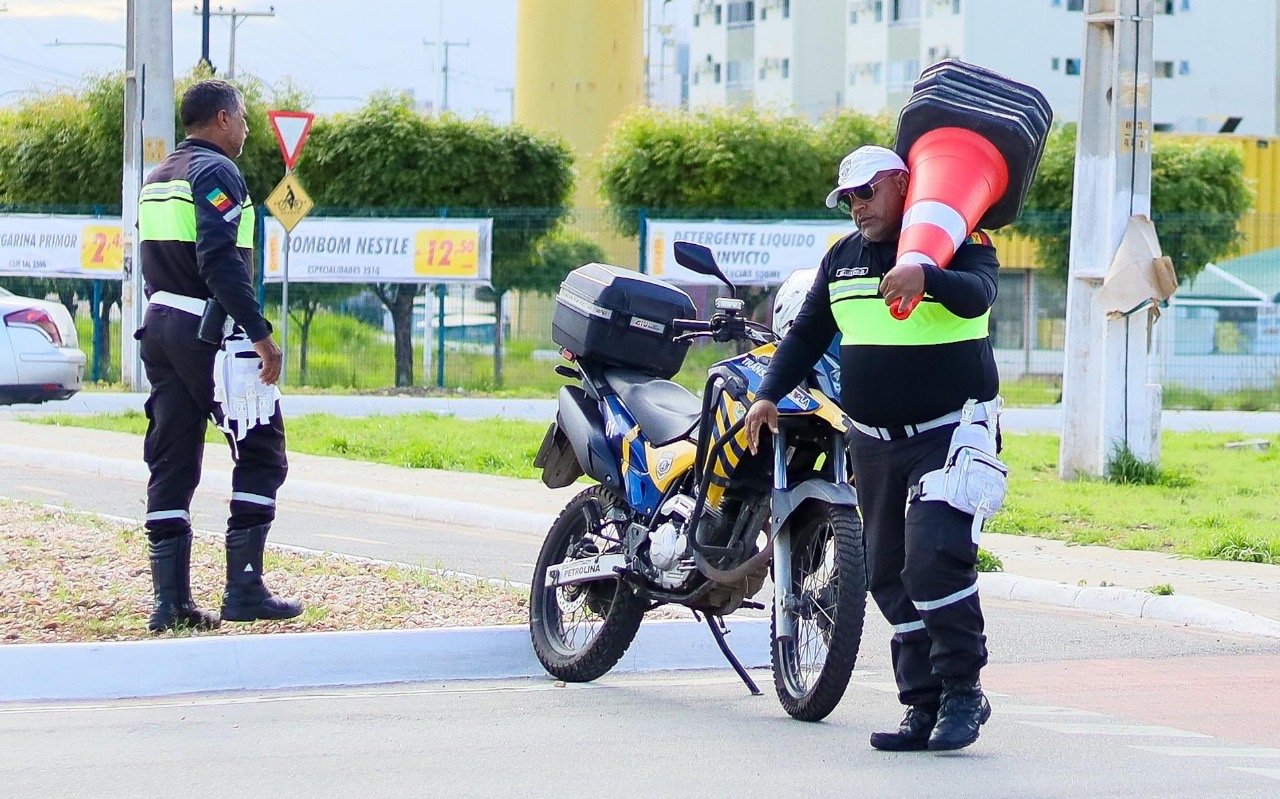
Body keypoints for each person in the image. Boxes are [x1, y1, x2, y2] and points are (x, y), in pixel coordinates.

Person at [745, 145, 1001, 752]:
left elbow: (978, 296)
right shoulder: (843, 259)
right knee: (886, 574)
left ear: (903, 185)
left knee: (934, 557)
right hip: (873, 441)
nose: (857, 207)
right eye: (849, 199)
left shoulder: (963, 239)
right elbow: (808, 332)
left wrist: (927, 273)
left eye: (868, 193)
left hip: (949, 430)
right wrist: (768, 395)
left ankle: (964, 691)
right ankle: (923, 703)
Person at [136, 78, 302, 632]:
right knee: (262, 448)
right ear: (223, 119)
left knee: (172, 455)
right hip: (210, 331)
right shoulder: (216, 172)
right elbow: (219, 259)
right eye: (245, 117)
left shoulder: (157, 177)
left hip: (158, 325)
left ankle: (171, 602)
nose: (248, 127)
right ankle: (244, 587)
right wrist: (259, 332)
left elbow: (153, 257)